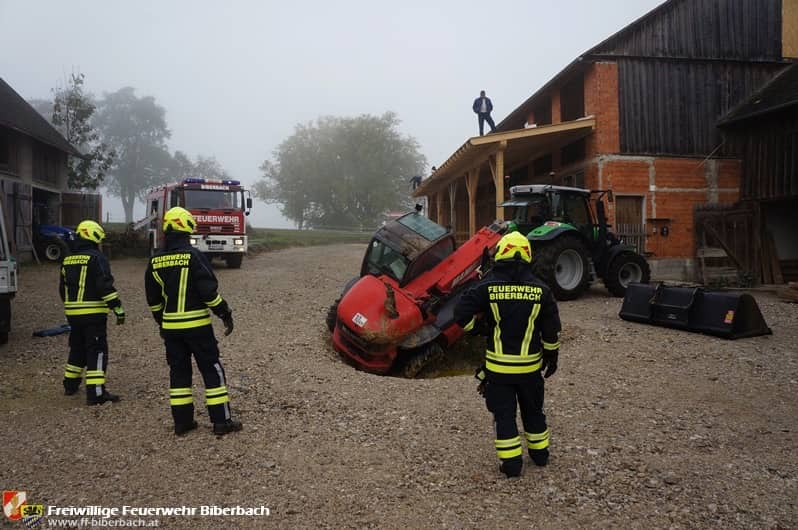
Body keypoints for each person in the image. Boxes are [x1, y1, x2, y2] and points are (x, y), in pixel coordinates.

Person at [454, 231, 561, 477]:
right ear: (528, 257)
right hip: (530, 372)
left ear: (500, 254)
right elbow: (551, 332)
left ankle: (512, 465)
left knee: (504, 416)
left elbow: (460, 314)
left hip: (498, 372)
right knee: (534, 411)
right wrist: (552, 358)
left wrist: (478, 329)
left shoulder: (487, 288)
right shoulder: (542, 291)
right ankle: (540, 455)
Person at [144, 206, 242, 436]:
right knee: (211, 369)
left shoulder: (156, 261)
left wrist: (163, 322)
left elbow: (154, 301)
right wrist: (225, 314)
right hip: (198, 328)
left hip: (171, 330)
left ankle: (182, 423)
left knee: (179, 373)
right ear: (187, 228)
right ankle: (221, 422)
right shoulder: (194, 256)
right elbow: (209, 293)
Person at [60, 220, 125, 405]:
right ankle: (96, 394)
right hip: (94, 314)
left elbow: (62, 289)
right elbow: (104, 285)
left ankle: (70, 385)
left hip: (72, 313)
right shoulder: (97, 258)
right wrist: (117, 308)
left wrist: (71, 306)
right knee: (96, 350)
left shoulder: (67, 259)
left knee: (77, 348)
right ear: (94, 237)